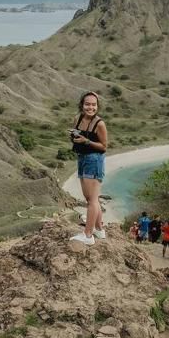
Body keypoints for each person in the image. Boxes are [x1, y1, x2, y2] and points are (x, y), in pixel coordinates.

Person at [69, 91, 108, 245]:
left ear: (97, 106)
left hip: (94, 160)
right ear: (82, 105)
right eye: (87, 104)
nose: (90, 107)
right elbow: (74, 137)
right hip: (82, 158)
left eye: (93, 104)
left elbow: (104, 147)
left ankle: (87, 235)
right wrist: (74, 137)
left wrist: (86, 141)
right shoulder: (77, 119)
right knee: (91, 198)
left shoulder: (100, 124)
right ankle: (99, 229)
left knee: (91, 200)